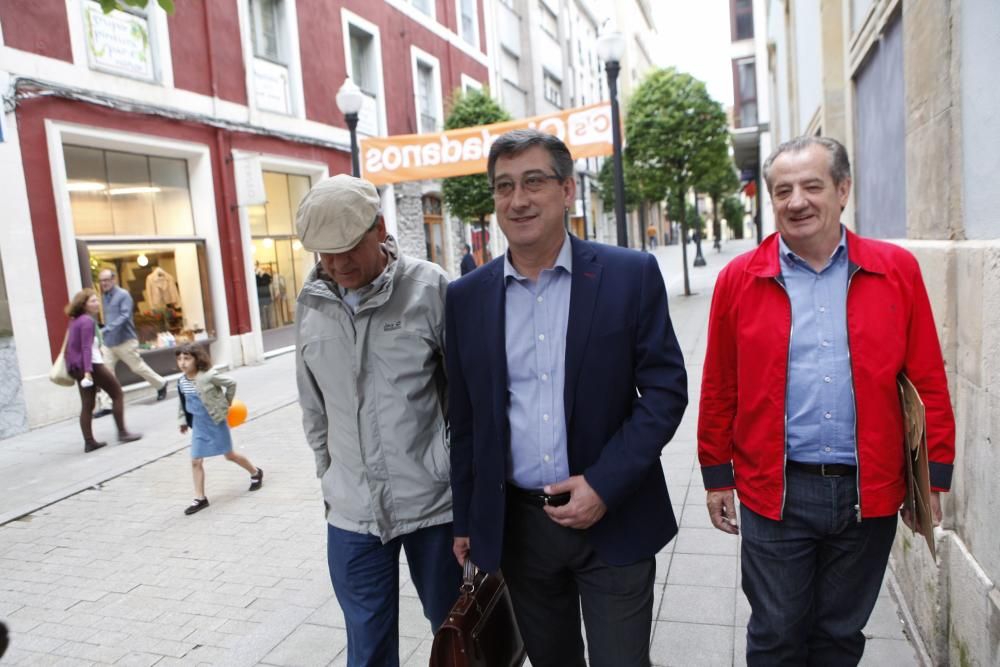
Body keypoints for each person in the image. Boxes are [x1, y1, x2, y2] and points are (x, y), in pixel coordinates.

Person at [698, 136, 956, 665]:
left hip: (870, 490)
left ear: (843, 190)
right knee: (775, 634)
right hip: (777, 490)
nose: (797, 201)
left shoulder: (896, 270)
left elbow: (927, 376)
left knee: (841, 635)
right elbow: (720, 383)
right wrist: (716, 475)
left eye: (812, 186)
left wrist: (932, 476)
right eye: (782, 190)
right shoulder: (737, 281)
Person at [445, 129, 688, 667]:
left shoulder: (629, 275)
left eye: (534, 181)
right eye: (504, 186)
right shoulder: (465, 298)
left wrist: (604, 484)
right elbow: (464, 422)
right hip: (521, 529)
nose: (519, 199)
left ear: (567, 190)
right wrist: (466, 519)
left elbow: (666, 391)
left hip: (616, 516)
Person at [294, 174, 459, 666]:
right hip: (351, 512)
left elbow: (465, 397)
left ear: (380, 228)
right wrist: (328, 473)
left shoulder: (431, 288)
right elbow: (312, 404)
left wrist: (450, 468)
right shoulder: (312, 304)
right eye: (325, 253)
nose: (338, 264)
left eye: (348, 248)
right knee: (366, 649)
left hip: (435, 506)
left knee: (457, 635)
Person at [175, 344, 262, 516]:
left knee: (230, 455)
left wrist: (226, 403)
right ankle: (200, 498)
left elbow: (231, 383)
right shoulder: (181, 382)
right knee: (196, 460)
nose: (182, 363)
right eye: (179, 359)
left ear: (197, 359)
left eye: (187, 358)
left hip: (216, 421)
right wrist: (182, 420)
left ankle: (255, 472)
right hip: (199, 424)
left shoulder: (208, 376)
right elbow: (182, 402)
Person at [64, 288, 142, 452]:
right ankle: (122, 433)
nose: (97, 303)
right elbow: (86, 348)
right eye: (92, 301)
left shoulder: (76, 320)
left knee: (87, 404)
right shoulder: (86, 321)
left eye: (96, 300)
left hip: (78, 366)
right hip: (91, 365)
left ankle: (89, 442)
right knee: (117, 394)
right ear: (83, 304)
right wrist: (88, 371)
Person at [95, 269, 168, 417]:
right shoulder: (104, 296)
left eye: (107, 280)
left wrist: (107, 328)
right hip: (109, 342)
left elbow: (124, 316)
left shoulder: (123, 295)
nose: (104, 283)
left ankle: (160, 384)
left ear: (113, 279)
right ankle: (106, 404)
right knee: (105, 373)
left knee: (137, 367)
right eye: (101, 280)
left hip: (125, 341)